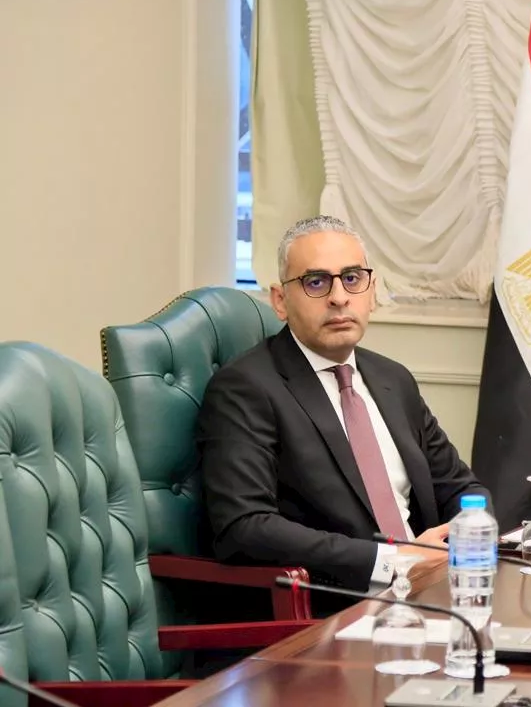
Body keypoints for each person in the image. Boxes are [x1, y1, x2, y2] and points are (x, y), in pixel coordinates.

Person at [198, 216, 490, 591]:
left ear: (372, 291)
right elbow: (245, 527)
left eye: (352, 278)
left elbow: (462, 488)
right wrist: (394, 562)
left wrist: (465, 540)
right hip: (334, 603)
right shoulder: (244, 388)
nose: (339, 297)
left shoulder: (393, 379)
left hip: (433, 586)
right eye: (316, 282)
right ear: (280, 301)